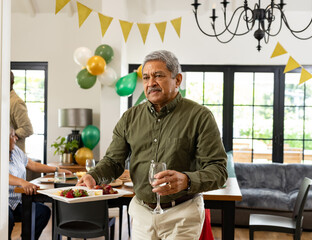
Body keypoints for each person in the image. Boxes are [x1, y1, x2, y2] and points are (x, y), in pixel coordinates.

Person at [78, 50, 227, 240]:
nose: (151, 83)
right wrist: (94, 175)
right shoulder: (130, 118)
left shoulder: (200, 116)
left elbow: (218, 170)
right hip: (141, 213)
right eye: (146, 77)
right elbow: (113, 161)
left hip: (182, 214)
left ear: (178, 80)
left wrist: (186, 180)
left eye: (158, 76)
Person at [9, 127, 72, 240]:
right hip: (4, 203)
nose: (16, 138)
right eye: (13, 135)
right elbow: (0, 175)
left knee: (43, 212)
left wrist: (56, 170)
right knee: (6, 219)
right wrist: (22, 182)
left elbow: (32, 165)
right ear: (5, 138)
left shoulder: (16, 151)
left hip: (19, 201)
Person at [10, 71, 33, 152]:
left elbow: (27, 129)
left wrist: (11, 137)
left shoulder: (16, 102)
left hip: (14, 156)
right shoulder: (2, 101)